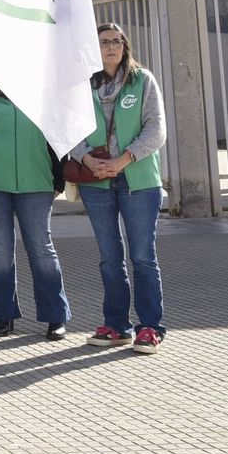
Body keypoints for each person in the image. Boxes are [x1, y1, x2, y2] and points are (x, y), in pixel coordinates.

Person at [67, 23, 169, 355]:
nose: (111, 47)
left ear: (125, 46)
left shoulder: (143, 80)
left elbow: (156, 129)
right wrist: (87, 159)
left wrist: (124, 159)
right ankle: (116, 325)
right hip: (98, 181)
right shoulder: (82, 85)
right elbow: (70, 127)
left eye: (116, 41)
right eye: (103, 42)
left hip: (138, 180)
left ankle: (150, 327)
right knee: (110, 258)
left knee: (142, 256)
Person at [0, 78, 70, 340]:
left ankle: (56, 317)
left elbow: (59, 140)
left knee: (41, 248)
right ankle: (4, 315)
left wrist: (59, 180)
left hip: (37, 183)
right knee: (0, 249)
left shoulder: (45, 94)